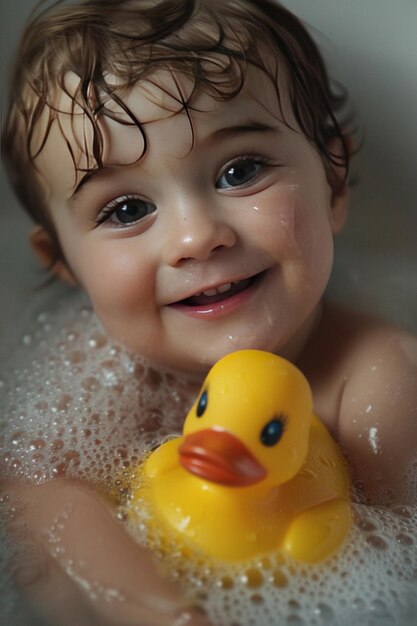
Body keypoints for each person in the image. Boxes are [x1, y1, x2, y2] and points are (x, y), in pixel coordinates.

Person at [1, 0, 416, 624]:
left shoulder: (377, 386)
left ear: (333, 181)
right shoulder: (93, 374)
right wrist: (167, 612)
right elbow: (33, 500)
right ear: (64, 265)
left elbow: (393, 559)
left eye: (240, 170)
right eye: (126, 211)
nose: (196, 237)